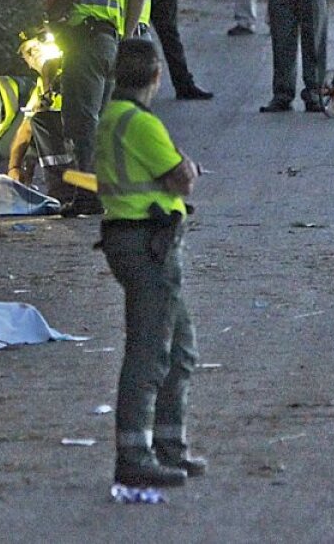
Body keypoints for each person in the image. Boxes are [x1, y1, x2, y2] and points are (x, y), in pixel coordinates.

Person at [95, 38, 206, 488]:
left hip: (132, 241)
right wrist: (190, 169)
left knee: (179, 351)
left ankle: (168, 444)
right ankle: (134, 453)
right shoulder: (141, 124)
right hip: (148, 245)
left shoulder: (111, 118)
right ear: (156, 76)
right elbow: (181, 180)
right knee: (150, 352)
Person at [45, 0, 125, 215]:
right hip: (109, 45)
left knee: (82, 120)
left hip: (86, 42)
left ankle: (89, 195)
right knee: (100, 121)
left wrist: (54, 15)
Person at [7, 31, 71, 201]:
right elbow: (26, 129)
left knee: (42, 121)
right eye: (28, 52)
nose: (33, 54)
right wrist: (14, 167)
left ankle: (63, 190)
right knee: (37, 121)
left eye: (36, 47)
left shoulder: (69, 67)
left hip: (86, 138)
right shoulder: (42, 87)